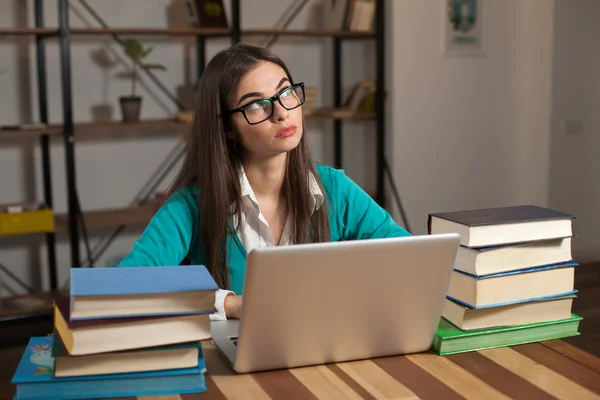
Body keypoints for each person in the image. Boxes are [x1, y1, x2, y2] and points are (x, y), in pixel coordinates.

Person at [117, 43, 411, 320]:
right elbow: (123, 287)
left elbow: (410, 260)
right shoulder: (191, 206)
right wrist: (230, 304)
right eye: (257, 104)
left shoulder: (334, 188)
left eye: (286, 93)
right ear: (227, 128)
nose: (282, 113)